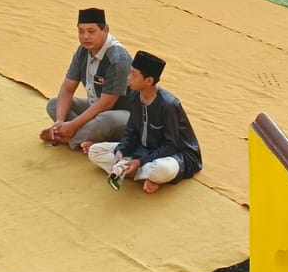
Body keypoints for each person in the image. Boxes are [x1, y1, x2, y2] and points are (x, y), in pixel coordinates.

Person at [83, 51, 201, 194]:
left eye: (133, 75)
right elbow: (131, 131)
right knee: (95, 152)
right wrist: (121, 152)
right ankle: (139, 173)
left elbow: (171, 145)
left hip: (174, 155)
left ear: (149, 81)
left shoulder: (169, 105)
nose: (128, 78)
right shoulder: (134, 96)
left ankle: (136, 172)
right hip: (143, 149)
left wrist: (139, 162)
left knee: (163, 170)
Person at [42, 8, 136, 149]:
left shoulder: (117, 59)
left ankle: (68, 138)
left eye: (91, 31)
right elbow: (67, 88)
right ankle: (80, 136)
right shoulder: (83, 51)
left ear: (105, 30)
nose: (85, 36)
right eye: (81, 31)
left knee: (105, 120)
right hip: (95, 107)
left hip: (124, 114)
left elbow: (106, 104)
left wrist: (73, 125)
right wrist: (60, 121)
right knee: (54, 104)